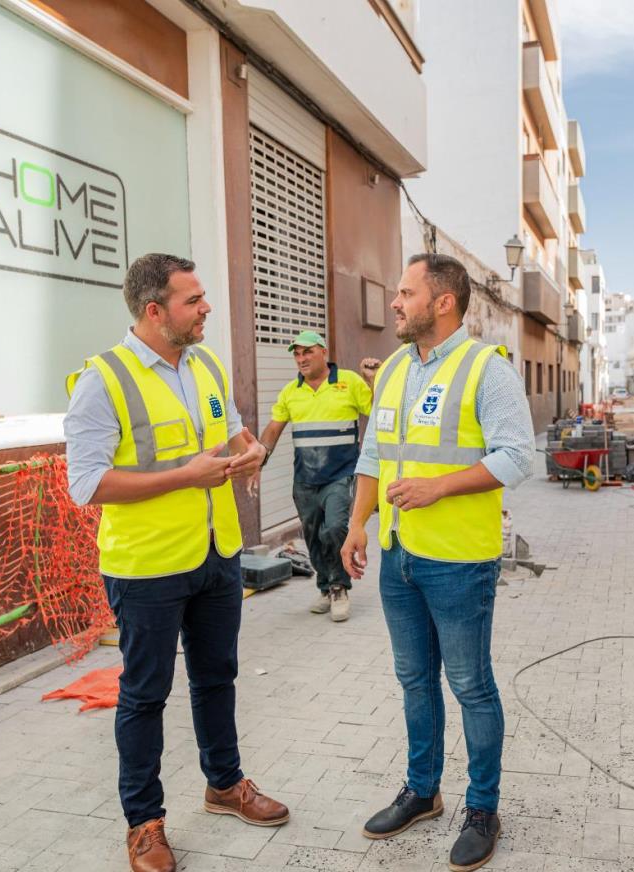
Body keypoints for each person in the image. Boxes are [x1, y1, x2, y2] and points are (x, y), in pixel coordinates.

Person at [64, 253, 289, 872]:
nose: (206, 309)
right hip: (146, 568)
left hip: (217, 553)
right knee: (144, 694)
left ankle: (224, 785)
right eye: (194, 301)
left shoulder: (205, 364)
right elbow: (85, 483)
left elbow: (235, 430)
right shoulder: (101, 379)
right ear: (154, 310)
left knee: (217, 676)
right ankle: (144, 823)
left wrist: (249, 456)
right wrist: (183, 476)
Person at [340, 253, 535, 872]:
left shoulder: (487, 368)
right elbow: (375, 451)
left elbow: (517, 457)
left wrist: (440, 487)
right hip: (398, 558)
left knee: (471, 686)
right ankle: (423, 791)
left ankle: (482, 808)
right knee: (415, 681)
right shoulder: (395, 367)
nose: (395, 302)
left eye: (405, 292)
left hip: (457, 562)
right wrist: (356, 526)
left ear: (442, 301)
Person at [256, 331, 379, 622]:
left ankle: (339, 587)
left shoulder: (348, 382)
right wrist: (258, 459)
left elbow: (377, 412)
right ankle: (325, 586)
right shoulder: (290, 392)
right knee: (312, 536)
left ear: (323, 352)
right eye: (297, 354)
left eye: (307, 352)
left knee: (335, 527)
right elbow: (273, 430)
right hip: (305, 479)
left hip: (341, 474)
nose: (301, 359)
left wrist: (372, 379)